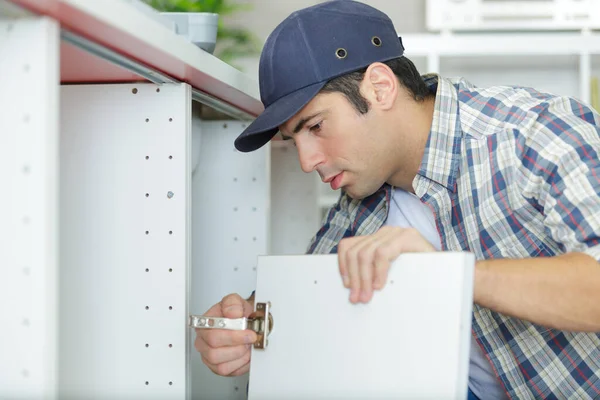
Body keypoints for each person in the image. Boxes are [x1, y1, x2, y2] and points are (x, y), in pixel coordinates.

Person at [194, 1, 600, 399]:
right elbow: (312, 289)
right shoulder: (364, 194)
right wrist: (247, 322)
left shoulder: (537, 133)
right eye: (294, 139)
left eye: (316, 126)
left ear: (380, 87)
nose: (306, 161)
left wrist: (449, 276)